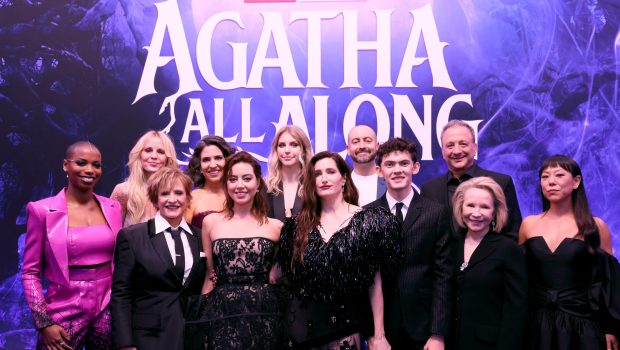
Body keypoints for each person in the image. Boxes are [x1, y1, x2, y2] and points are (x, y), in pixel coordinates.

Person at [276, 151, 402, 350]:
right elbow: (284, 279)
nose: (324, 178)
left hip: (345, 327)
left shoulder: (368, 222)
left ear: (343, 178)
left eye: (330, 172)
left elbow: (375, 283)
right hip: (300, 330)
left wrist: (379, 334)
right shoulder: (296, 226)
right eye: (317, 174)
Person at [22, 141, 123, 350]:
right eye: (81, 162)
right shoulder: (41, 211)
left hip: (107, 305)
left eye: (97, 165)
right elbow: (30, 272)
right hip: (64, 307)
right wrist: (44, 323)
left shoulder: (114, 207)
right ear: (65, 165)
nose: (90, 170)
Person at [185, 151, 286, 349]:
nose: (239, 185)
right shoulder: (210, 222)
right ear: (226, 184)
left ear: (258, 183)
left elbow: (278, 275)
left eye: (247, 178)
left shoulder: (276, 226)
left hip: (265, 314)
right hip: (222, 313)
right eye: (233, 179)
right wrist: (202, 322)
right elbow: (210, 275)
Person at [519, 155, 618, 350]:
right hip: (535, 326)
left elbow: (610, 282)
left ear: (576, 181)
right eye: (545, 177)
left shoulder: (595, 227)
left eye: (558, 175)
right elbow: (520, 278)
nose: (551, 182)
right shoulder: (528, 225)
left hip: (583, 326)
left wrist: (611, 328)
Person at [366, 138, 452, 350]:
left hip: (424, 327)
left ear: (416, 167)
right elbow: (365, 278)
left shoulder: (436, 212)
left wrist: (438, 333)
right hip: (383, 330)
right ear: (379, 171)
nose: (397, 170)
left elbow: (443, 275)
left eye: (404, 163)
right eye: (389, 164)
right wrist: (373, 333)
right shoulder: (367, 214)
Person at [111, 167, 206, 350]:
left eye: (179, 193)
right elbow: (121, 294)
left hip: (192, 335)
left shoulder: (200, 237)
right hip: (148, 337)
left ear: (187, 199)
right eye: (165, 194)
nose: (172, 199)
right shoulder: (132, 237)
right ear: (155, 199)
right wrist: (124, 343)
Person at [450, 177, 527, 350]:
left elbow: (516, 310)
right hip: (451, 341)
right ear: (460, 207)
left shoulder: (508, 249)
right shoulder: (450, 245)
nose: (476, 213)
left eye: (484, 207)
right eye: (470, 205)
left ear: (495, 212)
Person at [420, 120, 522, 240]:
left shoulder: (501, 182)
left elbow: (512, 233)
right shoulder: (429, 190)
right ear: (443, 151)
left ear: (475, 148)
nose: (457, 151)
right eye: (450, 145)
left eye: (463, 144)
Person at [111, 130, 178, 227]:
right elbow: (113, 234)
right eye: (148, 150)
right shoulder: (123, 191)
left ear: (167, 158)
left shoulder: (177, 192)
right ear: (139, 154)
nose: (154, 156)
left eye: (160, 152)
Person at [184, 135, 236, 228]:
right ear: (199, 166)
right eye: (206, 160)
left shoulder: (238, 195)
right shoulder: (191, 198)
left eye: (218, 158)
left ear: (228, 160)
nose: (212, 165)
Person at [265, 125, 314, 221]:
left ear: (303, 149)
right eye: (282, 145)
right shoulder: (266, 188)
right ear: (276, 150)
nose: (287, 150)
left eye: (294, 145)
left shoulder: (313, 186)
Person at [346, 125, 386, 206]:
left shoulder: (390, 180)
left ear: (377, 146)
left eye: (367, 141)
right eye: (356, 142)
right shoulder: (342, 184)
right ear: (348, 149)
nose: (362, 146)